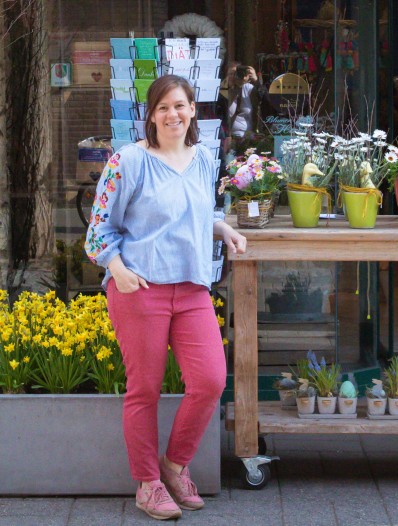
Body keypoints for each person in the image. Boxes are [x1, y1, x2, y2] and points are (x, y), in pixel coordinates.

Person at [84, 75, 247, 521]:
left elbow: (194, 214)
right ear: (151, 116)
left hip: (192, 288)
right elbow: (99, 230)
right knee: (145, 389)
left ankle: (174, 466)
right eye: (163, 108)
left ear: (194, 110)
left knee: (211, 379)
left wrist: (223, 227)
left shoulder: (204, 159)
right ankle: (148, 484)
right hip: (141, 290)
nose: (172, 114)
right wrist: (118, 269)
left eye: (180, 105)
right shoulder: (128, 162)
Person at [226, 63, 264, 138]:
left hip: (250, 135)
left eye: (236, 74)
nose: (233, 76)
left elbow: (264, 98)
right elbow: (228, 113)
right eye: (230, 74)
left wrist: (256, 80)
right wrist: (234, 88)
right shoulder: (222, 90)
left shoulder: (248, 88)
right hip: (229, 136)